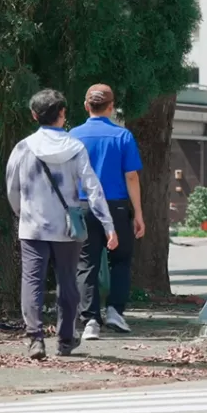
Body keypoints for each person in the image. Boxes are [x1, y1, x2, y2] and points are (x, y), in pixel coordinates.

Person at [5, 89, 116, 360]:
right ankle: (65, 339)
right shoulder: (75, 147)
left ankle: (35, 338)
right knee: (67, 281)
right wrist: (108, 224)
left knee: (32, 281)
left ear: (34, 115)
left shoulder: (23, 147)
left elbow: (12, 188)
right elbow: (93, 188)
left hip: (33, 227)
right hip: (68, 228)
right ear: (63, 113)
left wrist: (21, 212)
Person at [72, 84, 144, 339]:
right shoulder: (122, 136)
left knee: (86, 263)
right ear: (111, 107)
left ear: (86, 105)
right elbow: (131, 176)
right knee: (121, 260)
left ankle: (90, 320)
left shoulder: (73, 136)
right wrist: (138, 213)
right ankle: (115, 311)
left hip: (84, 205)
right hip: (117, 205)